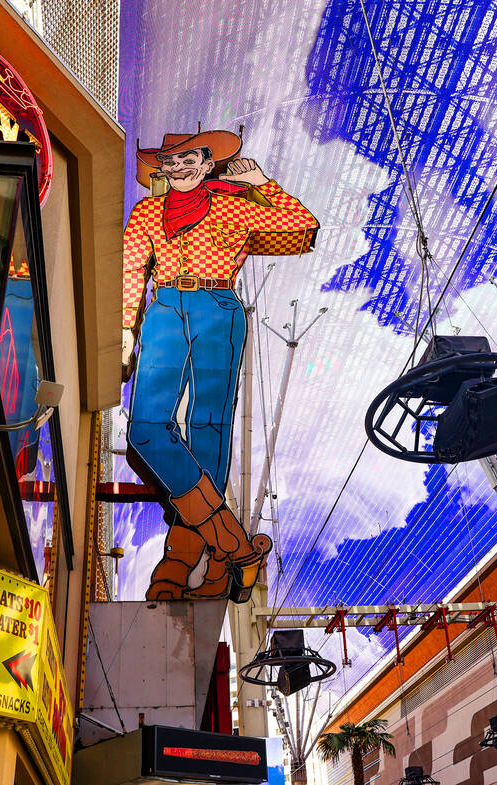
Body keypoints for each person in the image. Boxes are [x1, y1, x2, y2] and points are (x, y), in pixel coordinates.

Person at [122, 129, 318, 601]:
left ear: (208, 162)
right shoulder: (148, 211)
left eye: (189, 158)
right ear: (162, 167)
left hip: (217, 303)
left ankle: (185, 563)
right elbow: (131, 267)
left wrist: (263, 183)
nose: (179, 166)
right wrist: (127, 328)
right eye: (170, 160)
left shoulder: (234, 204)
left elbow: (300, 228)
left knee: (209, 431)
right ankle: (234, 546)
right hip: (165, 306)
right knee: (146, 429)